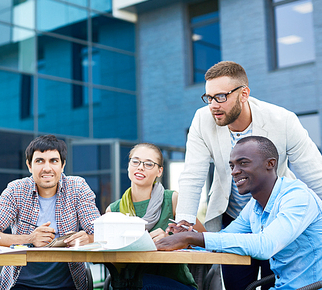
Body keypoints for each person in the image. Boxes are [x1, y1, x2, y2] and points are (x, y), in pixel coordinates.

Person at [175, 61, 322, 289]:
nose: (213, 105)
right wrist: (184, 226)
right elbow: (193, 173)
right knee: (237, 285)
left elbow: (315, 176)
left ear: (244, 94)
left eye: (221, 96)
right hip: (239, 215)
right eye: (209, 97)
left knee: (277, 274)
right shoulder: (203, 120)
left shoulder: (283, 120)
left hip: (279, 216)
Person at [157, 136, 322, 290]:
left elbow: (265, 245)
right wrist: (189, 238)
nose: (234, 171)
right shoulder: (255, 206)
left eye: (243, 163)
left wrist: (192, 238)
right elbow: (225, 238)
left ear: (270, 164)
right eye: (232, 165)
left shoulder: (297, 197)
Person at [0, 134, 101, 290]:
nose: (47, 168)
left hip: (68, 284)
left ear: (62, 165)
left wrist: (88, 239)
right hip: (20, 284)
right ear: (29, 166)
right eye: (39, 161)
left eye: (53, 161)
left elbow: (100, 232)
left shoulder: (77, 188)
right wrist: (29, 238)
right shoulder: (16, 190)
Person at [106, 143, 202, 290]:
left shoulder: (173, 200)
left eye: (149, 164)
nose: (140, 167)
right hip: (131, 283)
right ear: (129, 166)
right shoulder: (113, 211)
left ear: (159, 171)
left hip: (175, 284)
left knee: (140, 283)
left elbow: (204, 238)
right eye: (135, 161)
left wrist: (174, 240)